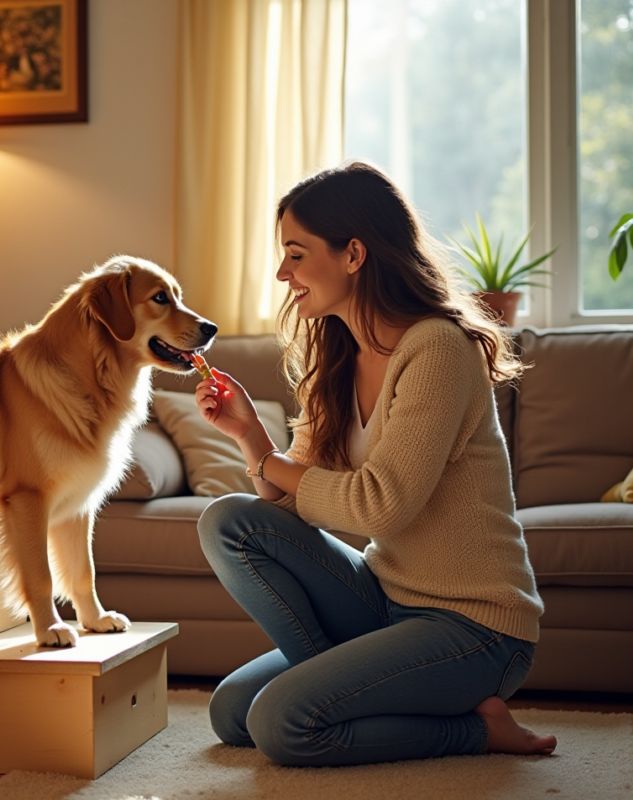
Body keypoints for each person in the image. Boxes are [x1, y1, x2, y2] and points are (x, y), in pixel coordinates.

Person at [195, 161, 557, 767]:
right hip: (386, 599)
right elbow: (286, 500)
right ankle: (333, 690)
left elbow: (379, 504)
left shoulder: (439, 347)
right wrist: (248, 434)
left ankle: (476, 730)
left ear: (353, 254)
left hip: (475, 628)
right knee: (233, 709)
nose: (282, 273)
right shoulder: (335, 354)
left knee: (281, 722)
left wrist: (275, 464)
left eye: (295, 254)